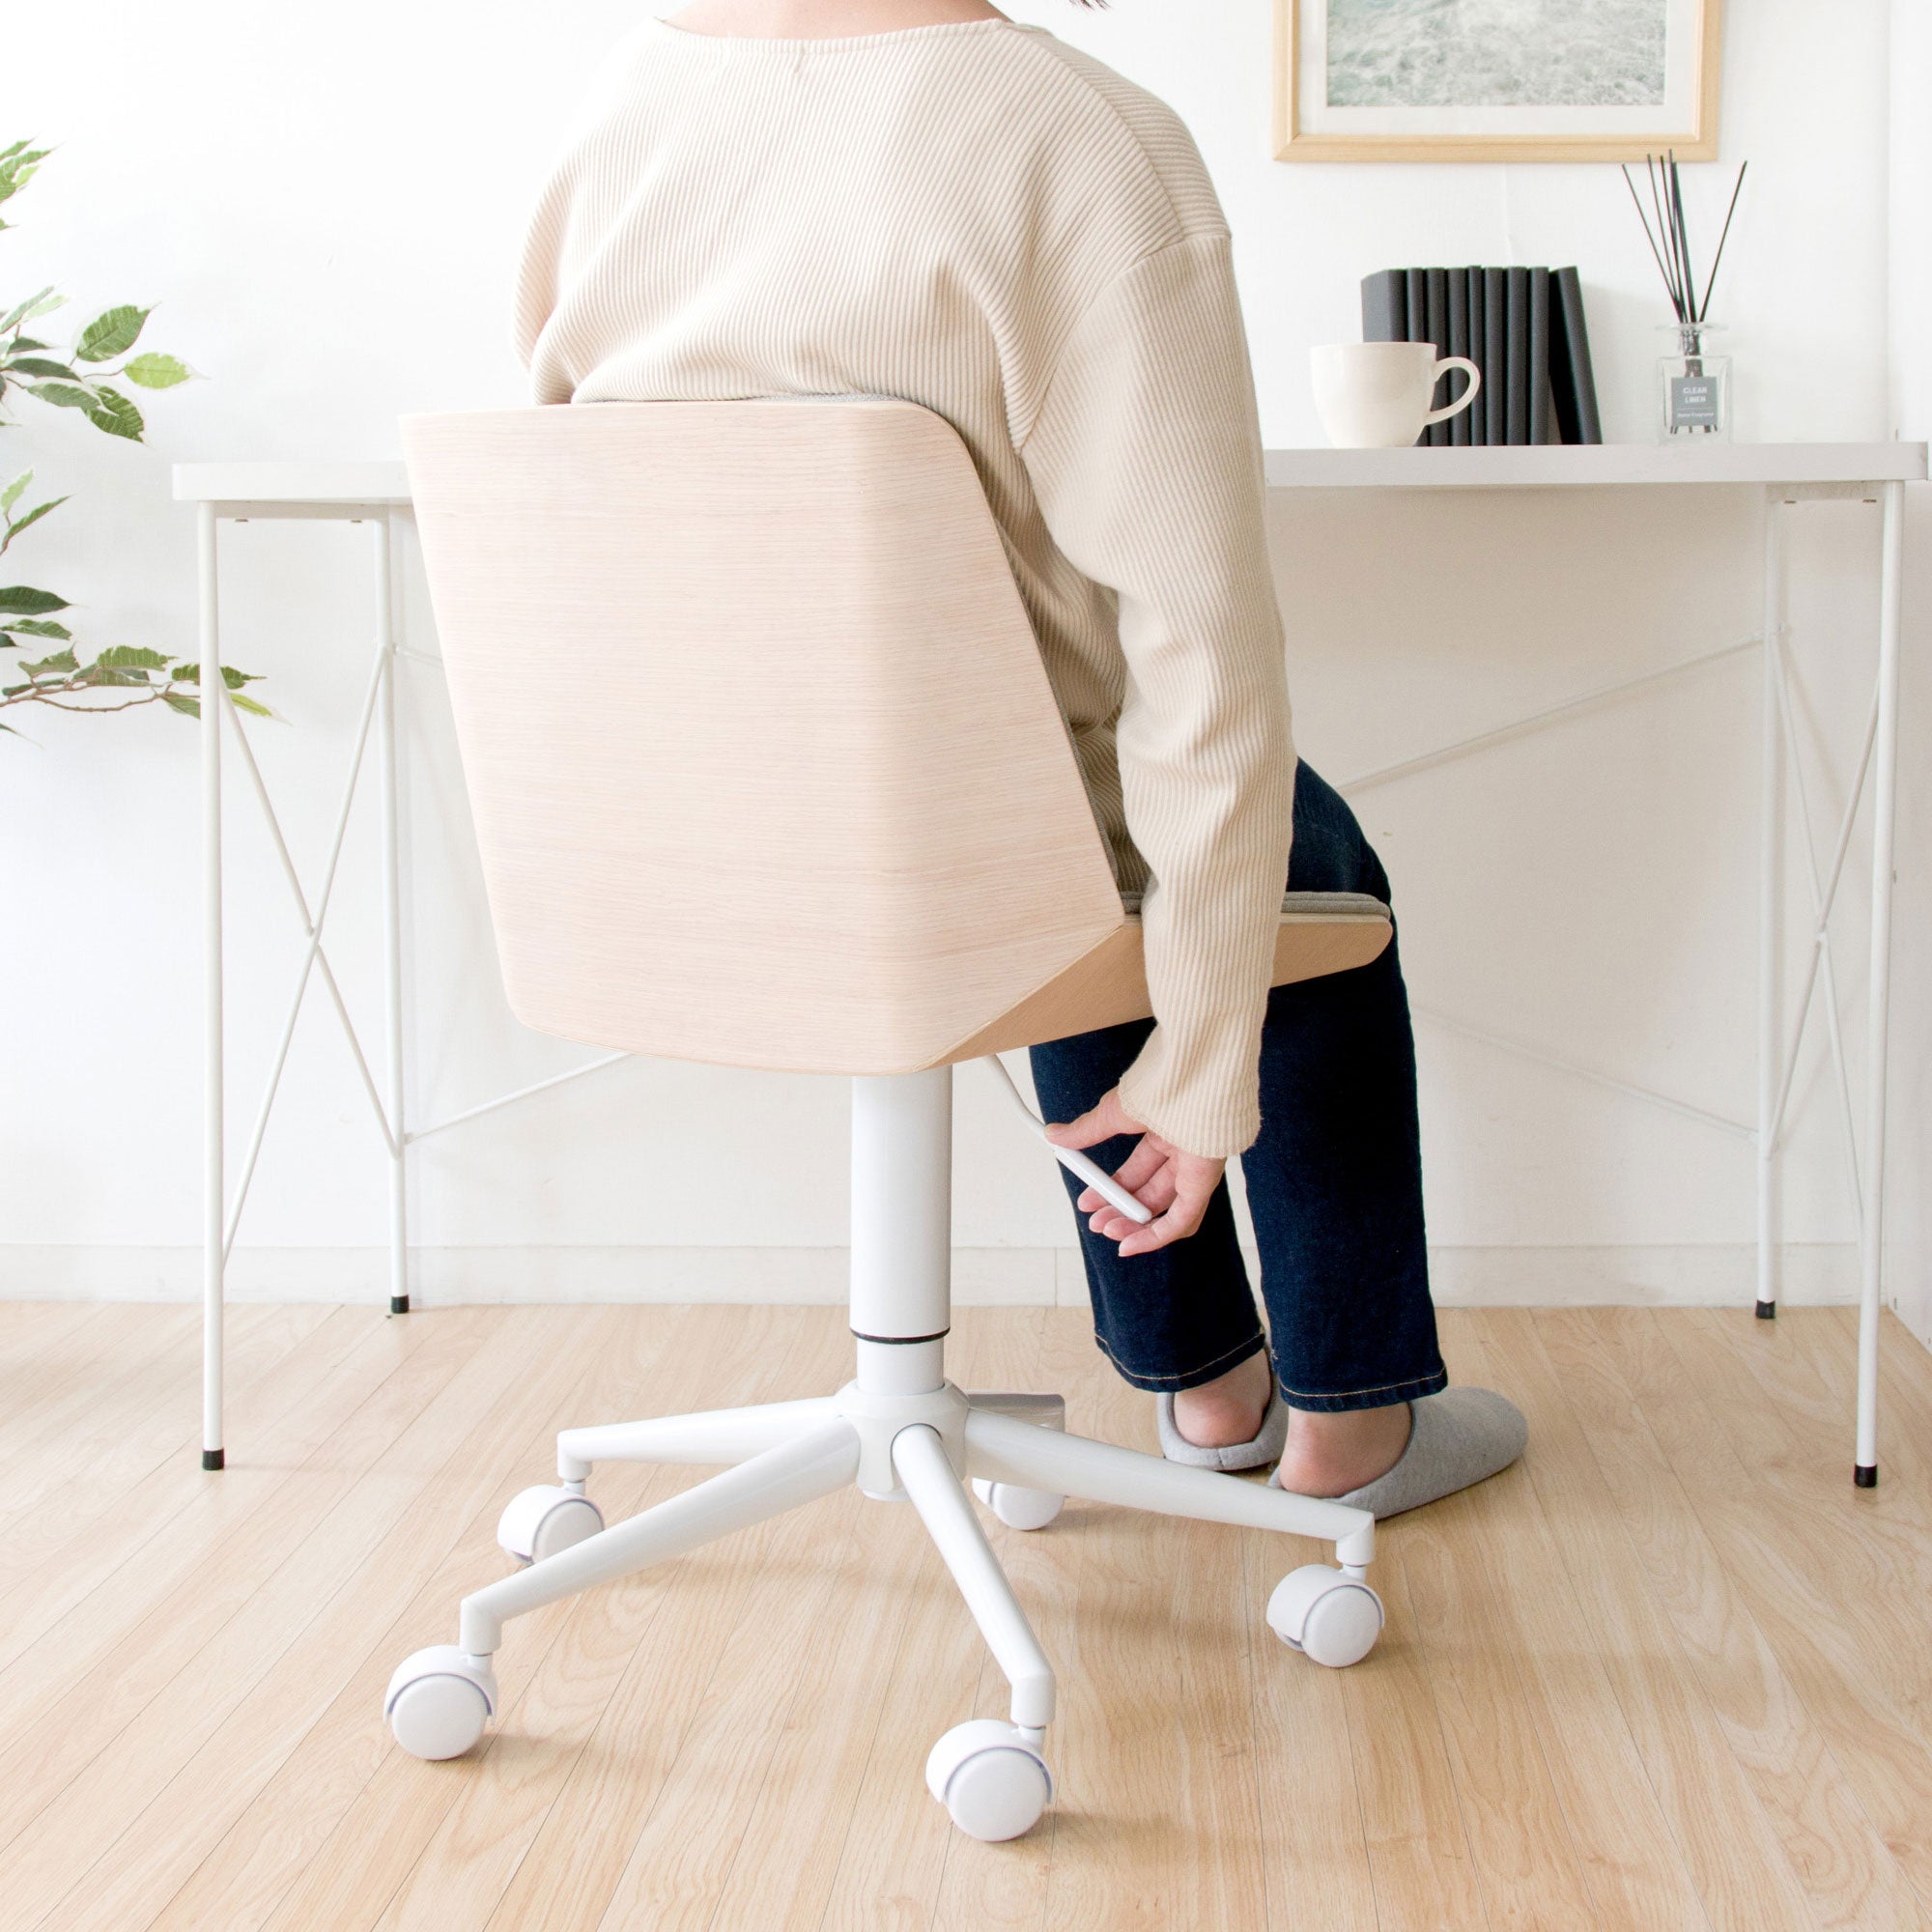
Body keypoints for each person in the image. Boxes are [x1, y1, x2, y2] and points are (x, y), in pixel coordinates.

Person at [514, 0, 1524, 1514]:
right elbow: (1199, 640)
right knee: (1270, 858)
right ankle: (1343, 1428)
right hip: (977, 840)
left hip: (682, 843)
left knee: (1071, 807)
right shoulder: (1080, 136)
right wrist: (1198, 1059)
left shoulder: (619, 119)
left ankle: (1206, 1382)